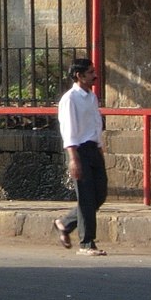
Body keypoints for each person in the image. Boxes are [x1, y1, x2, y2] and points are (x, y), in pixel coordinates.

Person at [54, 58, 108, 256]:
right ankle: (87, 243)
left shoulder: (91, 97)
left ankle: (65, 223)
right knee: (86, 196)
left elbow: (95, 123)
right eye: (91, 72)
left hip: (93, 148)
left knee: (99, 195)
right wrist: (73, 157)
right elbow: (68, 129)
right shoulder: (70, 99)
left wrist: (100, 147)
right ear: (79, 75)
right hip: (79, 150)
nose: (95, 75)